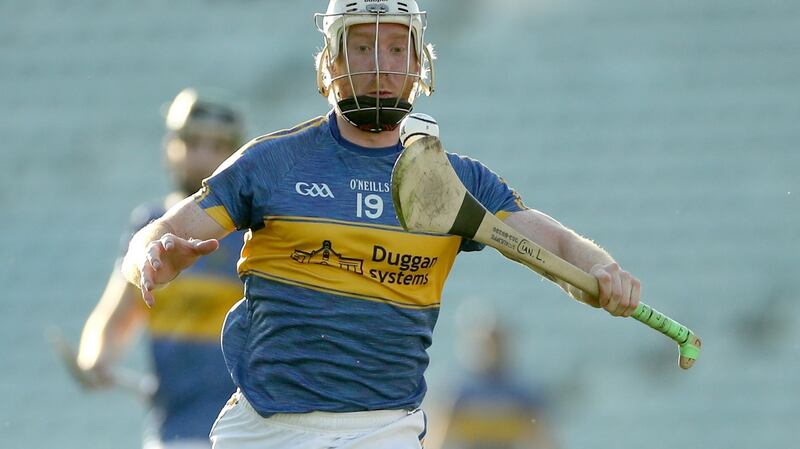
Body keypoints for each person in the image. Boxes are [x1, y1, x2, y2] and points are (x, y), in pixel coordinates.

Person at [120, 1, 641, 448]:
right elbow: (160, 232)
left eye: (396, 48)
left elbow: (551, 244)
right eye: (361, 48)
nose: (380, 65)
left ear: (420, 65)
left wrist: (601, 270)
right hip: (265, 427)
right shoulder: (270, 164)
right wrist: (152, 255)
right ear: (329, 63)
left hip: (384, 429)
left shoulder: (455, 181)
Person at [77, 88, 246, 449]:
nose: (202, 156)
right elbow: (118, 313)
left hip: (243, 432)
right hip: (176, 431)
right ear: (171, 147)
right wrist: (97, 356)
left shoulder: (252, 233)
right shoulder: (148, 228)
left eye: (216, 146)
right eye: (192, 142)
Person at [433, 307, 559, 449]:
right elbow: (439, 436)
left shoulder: (523, 392)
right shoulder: (459, 390)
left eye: (497, 341)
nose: (493, 348)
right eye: (489, 341)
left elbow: (544, 437)